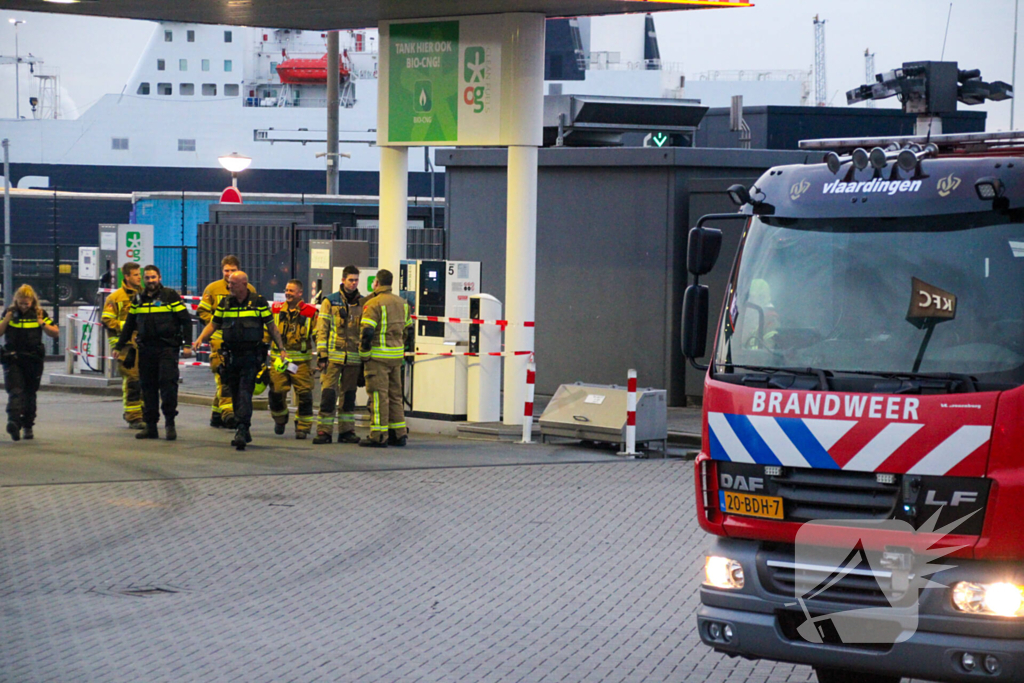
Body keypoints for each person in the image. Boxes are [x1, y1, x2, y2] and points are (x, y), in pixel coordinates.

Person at [195, 271, 287, 450]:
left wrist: (281, 349)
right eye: (229, 283)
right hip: (231, 357)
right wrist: (200, 338)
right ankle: (242, 427)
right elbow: (214, 324)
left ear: (244, 284)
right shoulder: (225, 303)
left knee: (245, 392)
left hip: (250, 356)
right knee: (235, 393)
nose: (229, 287)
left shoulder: (258, 302)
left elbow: (272, 327)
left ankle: (242, 429)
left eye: (233, 284)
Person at [114, 265, 194, 441]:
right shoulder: (138, 299)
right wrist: (119, 346)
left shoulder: (170, 296)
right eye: (147, 278)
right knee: (147, 388)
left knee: (168, 386)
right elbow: (129, 324)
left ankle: (170, 424)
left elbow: (186, 321)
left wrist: (187, 344)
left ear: (159, 278)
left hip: (167, 349)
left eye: (153, 277)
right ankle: (151, 427)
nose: (150, 281)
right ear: (144, 279)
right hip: (146, 350)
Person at [198, 255, 256, 429]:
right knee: (223, 377)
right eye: (226, 271)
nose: (229, 274)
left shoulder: (249, 288)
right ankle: (228, 414)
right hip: (218, 341)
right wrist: (217, 326)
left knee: (233, 378)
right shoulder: (213, 289)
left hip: (239, 342)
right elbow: (202, 312)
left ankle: (216, 414)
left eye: (232, 270)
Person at [359, 269, 413, 448]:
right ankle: (399, 434)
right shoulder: (402, 303)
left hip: (378, 358)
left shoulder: (374, 304)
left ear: (376, 282)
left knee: (378, 396)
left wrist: (364, 354)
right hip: (396, 357)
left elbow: (367, 332)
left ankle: (379, 435)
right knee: (395, 396)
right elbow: (409, 331)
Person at [313, 265, 367, 444]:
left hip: (353, 359)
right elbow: (322, 329)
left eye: (356, 280)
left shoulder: (362, 303)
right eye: (351, 280)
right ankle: (324, 431)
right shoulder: (330, 301)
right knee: (328, 395)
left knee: (349, 397)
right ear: (343, 280)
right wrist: (321, 355)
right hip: (332, 359)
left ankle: (346, 431)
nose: (353, 283)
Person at [0, 285, 59, 441]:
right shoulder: (9, 313)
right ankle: (13, 422)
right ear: (16, 301)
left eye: (27, 303)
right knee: (15, 391)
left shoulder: (39, 313)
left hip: (33, 360)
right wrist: (6, 320)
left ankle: (27, 425)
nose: (24, 306)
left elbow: (55, 333)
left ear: (33, 301)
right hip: (13, 359)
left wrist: (41, 322)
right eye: (21, 303)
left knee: (30, 394)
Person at [268, 279, 318, 439]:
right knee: (276, 393)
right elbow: (266, 331)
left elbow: (318, 334)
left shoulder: (310, 312)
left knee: (305, 395)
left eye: (291, 291)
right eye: (286, 290)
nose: (288, 293)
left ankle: (302, 428)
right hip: (279, 361)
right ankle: (280, 419)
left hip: (301, 364)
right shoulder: (275, 310)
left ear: (300, 293)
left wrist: (324, 354)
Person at [101, 262, 145, 428]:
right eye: (135, 275)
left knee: (146, 380)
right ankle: (133, 416)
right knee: (133, 379)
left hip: (145, 345)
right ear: (126, 277)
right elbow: (107, 319)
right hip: (126, 347)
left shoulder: (145, 295)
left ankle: (145, 413)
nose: (139, 277)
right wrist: (126, 327)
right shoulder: (115, 297)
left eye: (139, 274)